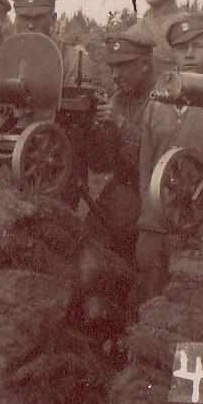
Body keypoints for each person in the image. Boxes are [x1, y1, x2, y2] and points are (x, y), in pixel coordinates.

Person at [136, 14, 203, 306]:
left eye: (199, 46)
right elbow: (145, 165)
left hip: (201, 227)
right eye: (182, 47)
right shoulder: (156, 104)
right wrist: (149, 217)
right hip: (156, 225)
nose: (189, 54)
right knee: (148, 299)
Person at [84, 29, 158, 264]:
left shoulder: (164, 100)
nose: (115, 75)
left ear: (145, 63)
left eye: (123, 66)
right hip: (119, 194)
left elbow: (156, 159)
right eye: (112, 67)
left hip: (149, 198)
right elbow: (100, 165)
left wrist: (120, 123)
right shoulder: (119, 98)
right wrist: (93, 128)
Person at [9, 0, 93, 86]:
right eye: (24, 18)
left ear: (53, 19)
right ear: (15, 19)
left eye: (38, 18)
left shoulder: (72, 59)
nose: (31, 25)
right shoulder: (5, 56)